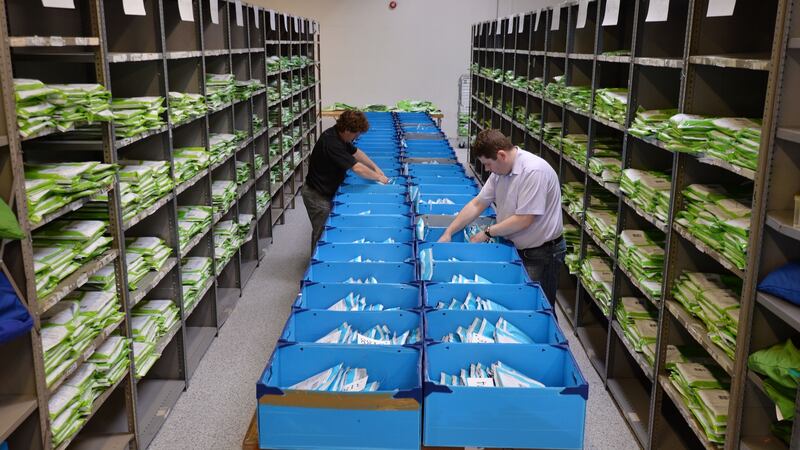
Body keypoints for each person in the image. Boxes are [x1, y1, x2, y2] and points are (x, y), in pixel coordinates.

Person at [438, 129, 566, 318]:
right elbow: (477, 204)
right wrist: (448, 232)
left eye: (488, 164)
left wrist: (487, 232)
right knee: (518, 307)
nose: (487, 169)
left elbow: (524, 219)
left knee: (539, 310)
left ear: (501, 155)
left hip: (541, 252)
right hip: (517, 246)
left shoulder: (533, 171)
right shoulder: (501, 172)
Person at [302, 110, 389, 251]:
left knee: (328, 230)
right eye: (356, 134)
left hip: (327, 189)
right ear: (347, 130)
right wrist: (378, 177)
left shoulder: (339, 134)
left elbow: (356, 152)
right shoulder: (331, 143)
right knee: (322, 234)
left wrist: (375, 167)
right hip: (317, 195)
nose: (356, 137)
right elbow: (357, 168)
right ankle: (318, 261)